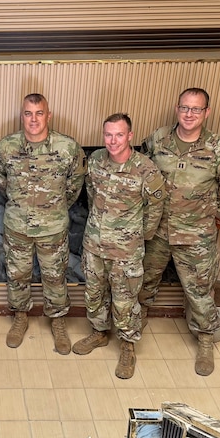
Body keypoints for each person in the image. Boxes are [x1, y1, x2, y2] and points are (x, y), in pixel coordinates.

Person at [138, 88, 220, 376]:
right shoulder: (158, 140)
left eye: (196, 109)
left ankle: (206, 340)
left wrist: (210, 213)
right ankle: (135, 324)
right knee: (144, 280)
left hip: (196, 235)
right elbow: (141, 170)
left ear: (207, 113)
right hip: (157, 230)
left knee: (200, 291)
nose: (189, 114)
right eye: (185, 107)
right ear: (177, 108)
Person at [73, 114, 165, 380]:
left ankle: (127, 345)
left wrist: (140, 235)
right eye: (108, 135)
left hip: (126, 250)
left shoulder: (145, 169)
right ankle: (99, 332)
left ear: (130, 136)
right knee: (94, 293)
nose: (113, 141)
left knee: (125, 300)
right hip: (94, 244)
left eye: (119, 135)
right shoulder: (96, 160)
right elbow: (91, 194)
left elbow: (155, 207)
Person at [0, 93, 85, 353]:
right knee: (17, 275)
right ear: (21, 116)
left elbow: (74, 185)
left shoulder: (67, 148)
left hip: (52, 228)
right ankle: (20, 317)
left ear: (48, 115)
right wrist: (22, 205)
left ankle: (57, 320)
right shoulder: (6, 147)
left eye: (39, 113)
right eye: (28, 113)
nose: (33, 119)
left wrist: (53, 209)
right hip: (17, 226)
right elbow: (1, 181)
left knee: (55, 277)